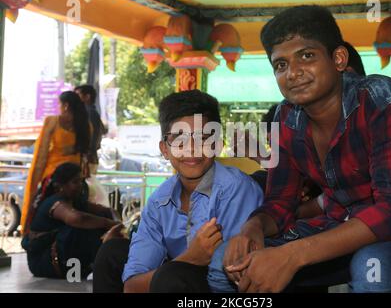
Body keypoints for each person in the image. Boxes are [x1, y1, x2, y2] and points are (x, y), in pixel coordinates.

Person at [223, 5, 391, 293]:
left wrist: (294, 254)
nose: (292, 73)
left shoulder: (382, 100)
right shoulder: (287, 117)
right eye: (280, 65)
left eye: (306, 56)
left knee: (373, 269)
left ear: (339, 58)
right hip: (336, 231)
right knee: (228, 262)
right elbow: (280, 203)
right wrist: (251, 228)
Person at [92, 90, 264, 293]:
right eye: (179, 139)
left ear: (217, 145)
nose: (191, 148)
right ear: (165, 149)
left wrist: (182, 265)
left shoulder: (236, 189)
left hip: (227, 288)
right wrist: (191, 257)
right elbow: (131, 285)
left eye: (202, 138)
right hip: (177, 278)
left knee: (174, 277)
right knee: (112, 252)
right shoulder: (159, 201)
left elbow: (238, 277)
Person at [21, 162, 120, 279]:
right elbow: (78, 219)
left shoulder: (75, 200)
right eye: (75, 182)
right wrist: (109, 224)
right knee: (80, 229)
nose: (81, 185)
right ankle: (100, 267)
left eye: (81, 181)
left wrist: (115, 220)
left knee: (95, 222)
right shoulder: (53, 202)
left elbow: (107, 211)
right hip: (43, 262)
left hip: (62, 259)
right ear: (60, 186)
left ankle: (109, 266)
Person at [21, 91, 91, 235]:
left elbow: (41, 154)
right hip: (75, 178)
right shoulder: (86, 125)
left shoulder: (52, 121)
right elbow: (86, 152)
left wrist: (35, 181)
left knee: (43, 212)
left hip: (54, 177)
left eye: (59, 104)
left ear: (65, 105)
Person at [74, 85, 107, 174]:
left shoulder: (89, 113)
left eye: (77, 95)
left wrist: (87, 156)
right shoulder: (90, 112)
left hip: (87, 160)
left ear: (87, 97)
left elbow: (93, 136)